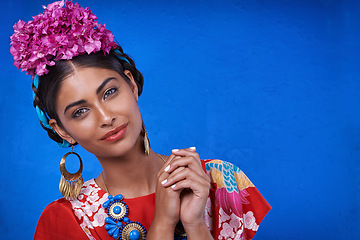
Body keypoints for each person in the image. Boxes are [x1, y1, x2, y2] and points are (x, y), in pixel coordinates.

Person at [10, 1, 271, 239]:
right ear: (62, 131)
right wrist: (163, 222)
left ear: (132, 85)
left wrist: (195, 225)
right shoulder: (66, 220)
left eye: (109, 92)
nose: (106, 117)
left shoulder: (221, 181)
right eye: (80, 111)